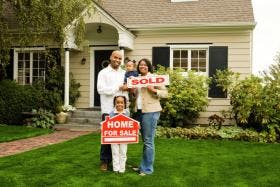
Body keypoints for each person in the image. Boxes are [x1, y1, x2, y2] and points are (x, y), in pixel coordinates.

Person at [132, 58, 168, 176]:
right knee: (145, 140)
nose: (142, 66)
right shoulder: (136, 79)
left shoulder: (154, 77)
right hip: (139, 111)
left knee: (148, 141)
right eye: (140, 65)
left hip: (151, 112)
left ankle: (147, 169)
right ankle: (143, 166)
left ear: (149, 67)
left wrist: (153, 90)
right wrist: (133, 92)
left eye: (145, 65)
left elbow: (165, 93)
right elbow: (136, 96)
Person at [97, 50, 127, 171]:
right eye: (115, 57)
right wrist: (118, 87)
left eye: (120, 59)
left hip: (121, 111)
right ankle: (104, 161)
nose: (117, 60)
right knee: (107, 137)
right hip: (108, 109)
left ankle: (119, 161)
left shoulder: (124, 73)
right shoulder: (103, 73)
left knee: (120, 137)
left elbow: (126, 91)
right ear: (110, 57)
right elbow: (101, 89)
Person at [109, 95, 129, 173]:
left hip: (124, 136)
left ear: (124, 104)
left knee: (123, 152)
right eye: (117, 102)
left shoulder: (127, 112)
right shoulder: (111, 113)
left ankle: (122, 169)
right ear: (114, 103)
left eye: (122, 102)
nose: (119, 104)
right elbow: (108, 124)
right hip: (114, 137)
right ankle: (116, 169)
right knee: (115, 152)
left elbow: (129, 123)